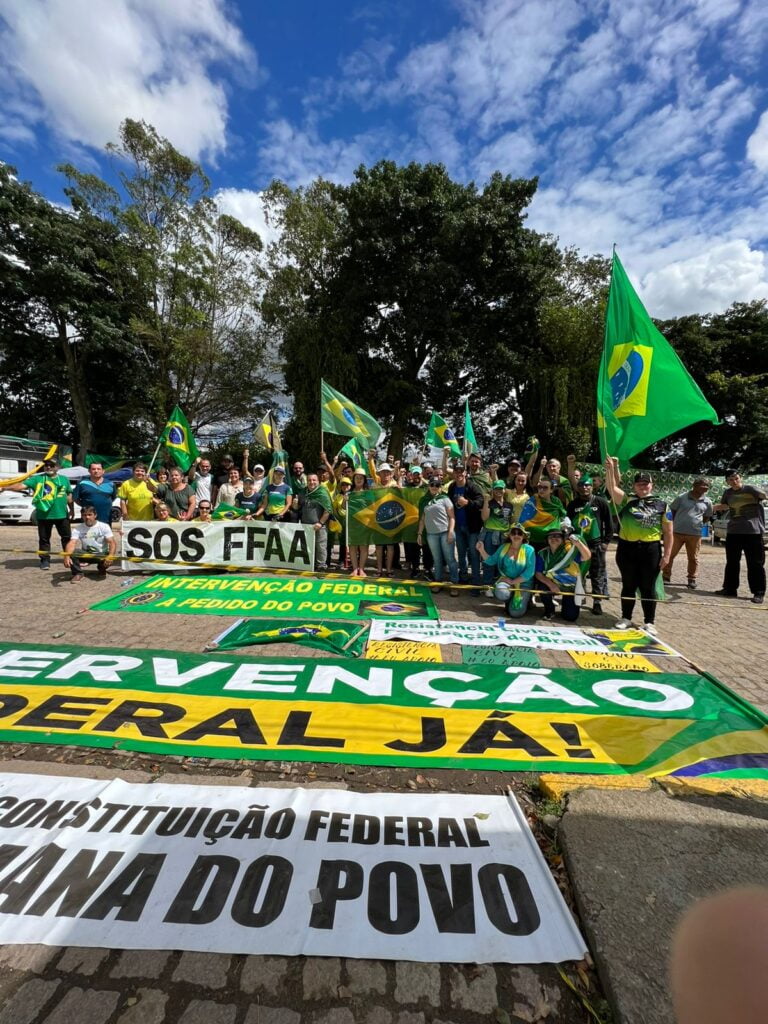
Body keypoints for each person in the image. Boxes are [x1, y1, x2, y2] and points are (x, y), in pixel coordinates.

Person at [604, 458, 672, 634]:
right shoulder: (627, 500)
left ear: (651, 485)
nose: (643, 486)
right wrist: (611, 470)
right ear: (634, 486)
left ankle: (649, 622)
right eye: (639, 484)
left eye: (646, 483)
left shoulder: (663, 505)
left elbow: (669, 532)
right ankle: (626, 617)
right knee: (628, 584)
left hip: (651, 550)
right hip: (627, 549)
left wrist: (667, 556)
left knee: (647, 587)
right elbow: (611, 488)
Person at [0, 456, 72, 570]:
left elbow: (68, 496)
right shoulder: (38, 479)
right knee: (44, 539)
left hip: (62, 514)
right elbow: (21, 486)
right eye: (46, 465)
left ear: (57, 467)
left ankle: (69, 557)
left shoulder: (64, 479)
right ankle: (45, 560)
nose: (48, 467)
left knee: (66, 537)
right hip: (43, 515)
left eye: (51, 465)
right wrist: (5, 487)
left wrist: (71, 509)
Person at [713, 470, 766, 603]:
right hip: (733, 532)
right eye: (731, 480)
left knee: (755, 564)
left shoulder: (751, 489)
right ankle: (730, 589)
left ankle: (758, 592)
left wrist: (763, 492)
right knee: (731, 562)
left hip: (753, 532)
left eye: (736, 478)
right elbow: (725, 505)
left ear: (740, 478)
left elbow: (764, 496)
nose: (734, 481)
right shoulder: (728, 492)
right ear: (727, 482)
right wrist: (708, 507)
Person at [567, 473, 612, 614]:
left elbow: (609, 524)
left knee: (597, 574)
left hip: (596, 544)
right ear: (578, 487)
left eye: (587, 485)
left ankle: (597, 602)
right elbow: (568, 524)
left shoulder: (600, 502)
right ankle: (581, 596)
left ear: (592, 487)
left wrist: (605, 543)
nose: (585, 487)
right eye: (581, 485)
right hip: (579, 545)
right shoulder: (573, 504)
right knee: (579, 572)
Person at [664, 478, 713, 590]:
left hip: (695, 534)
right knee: (670, 555)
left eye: (707, 486)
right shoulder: (682, 498)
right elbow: (671, 512)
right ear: (694, 486)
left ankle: (692, 579)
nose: (706, 487)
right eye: (703, 485)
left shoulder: (708, 501)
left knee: (693, 558)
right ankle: (665, 577)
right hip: (677, 533)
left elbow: (707, 516)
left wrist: (697, 524)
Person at [535, 525, 592, 622]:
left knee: (570, 617)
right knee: (543, 588)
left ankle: (567, 604)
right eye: (551, 537)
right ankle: (549, 610)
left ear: (563, 539)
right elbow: (538, 574)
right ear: (547, 540)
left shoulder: (570, 551)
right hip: (553, 583)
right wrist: (551, 585)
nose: (554, 539)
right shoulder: (542, 554)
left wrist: (578, 544)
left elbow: (587, 557)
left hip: (571, 586)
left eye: (557, 536)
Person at [476, 524, 535, 617]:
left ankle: (525, 601)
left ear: (523, 536)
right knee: (501, 593)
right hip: (506, 581)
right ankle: (510, 600)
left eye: (519, 533)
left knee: (515, 614)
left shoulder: (529, 550)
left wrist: (513, 581)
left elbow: (529, 573)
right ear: (509, 535)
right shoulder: (504, 547)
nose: (516, 535)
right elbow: (491, 561)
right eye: (513, 533)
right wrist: (481, 550)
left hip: (523, 583)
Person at [417, 477, 459, 596]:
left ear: (440, 487)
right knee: (437, 560)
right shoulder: (424, 500)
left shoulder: (445, 499)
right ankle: (438, 581)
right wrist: (419, 533)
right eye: (432, 484)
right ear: (428, 486)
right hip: (431, 534)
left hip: (445, 532)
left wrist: (451, 531)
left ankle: (454, 583)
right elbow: (422, 519)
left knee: (450, 559)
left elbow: (452, 517)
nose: (434, 487)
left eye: (437, 485)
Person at [447, 463, 483, 586]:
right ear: (454, 474)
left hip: (472, 527)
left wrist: (467, 502)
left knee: (474, 554)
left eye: (461, 471)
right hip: (457, 526)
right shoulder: (451, 487)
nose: (459, 474)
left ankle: (476, 580)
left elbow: (480, 502)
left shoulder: (473, 487)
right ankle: (463, 577)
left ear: (465, 473)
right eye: (457, 471)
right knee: (461, 553)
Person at [479, 479, 515, 597]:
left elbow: (511, 521)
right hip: (490, 535)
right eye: (496, 489)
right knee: (488, 560)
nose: (499, 491)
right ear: (493, 490)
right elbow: (484, 518)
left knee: (503, 562)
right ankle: (487, 585)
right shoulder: (489, 503)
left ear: (505, 490)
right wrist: (486, 501)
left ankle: (499, 585)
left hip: (504, 536)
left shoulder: (509, 505)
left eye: (501, 488)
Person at [62, 505, 116, 582]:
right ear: (82, 516)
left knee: (109, 556)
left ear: (95, 515)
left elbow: (112, 542)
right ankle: (78, 573)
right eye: (84, 515)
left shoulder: (104, 526)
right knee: (72, 552)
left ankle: (102, 569)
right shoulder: (78, 528)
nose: (87, 517)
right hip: (86, 554)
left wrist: (111, 556)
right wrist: (66, 556)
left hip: (101, 554)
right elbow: (72, 543)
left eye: (90, 515)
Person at [518, 476, 568, 552]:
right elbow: (523, 521)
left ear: (551, 490)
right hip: (534, 540)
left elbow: (562, 517)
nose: (541, 490)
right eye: (540, 487)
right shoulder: (533, 501)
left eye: (545, 488)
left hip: (553, 539)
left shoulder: (556, 502)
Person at [299, 472, 333, 570]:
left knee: (320, 546)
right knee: (308, 545)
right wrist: (295, 504)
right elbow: (298, 508)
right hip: (306, 525)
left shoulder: (322, 493)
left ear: (318, 481)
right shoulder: (303, 492)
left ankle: (321, 565)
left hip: (319, 525)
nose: (311, 482)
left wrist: (320, 523)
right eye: (309, 480)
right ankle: (310, 564)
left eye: (314, 480)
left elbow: (328, 510)